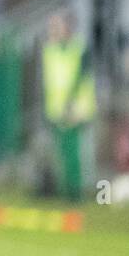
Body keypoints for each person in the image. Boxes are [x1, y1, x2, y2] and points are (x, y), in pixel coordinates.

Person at [41, 12, 96, 200]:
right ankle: (64, 190)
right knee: (61, 152)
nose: (53, 30)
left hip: (75, 109)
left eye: (57, 26)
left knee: (74, 153)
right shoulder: (50, 49)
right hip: (56, 108)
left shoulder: (79, 48)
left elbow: (80, 78)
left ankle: (75, 192)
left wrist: (70, 104)